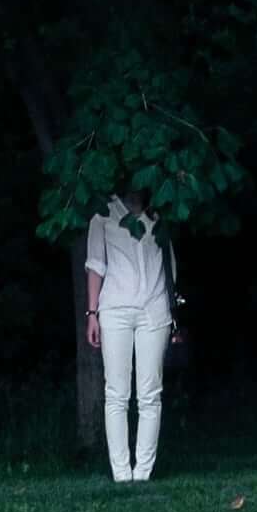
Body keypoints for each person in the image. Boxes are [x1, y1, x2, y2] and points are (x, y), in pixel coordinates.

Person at [83, 190, 179, 483]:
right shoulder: (104, 212)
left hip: (154, 308)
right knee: (117, 393)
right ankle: (122, 474)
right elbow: (95, 264)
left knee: (150, 394)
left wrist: (173, 313)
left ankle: (143, 472)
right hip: (115, 309)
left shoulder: (159, 213)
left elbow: (170, 264)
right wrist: (92, 314)